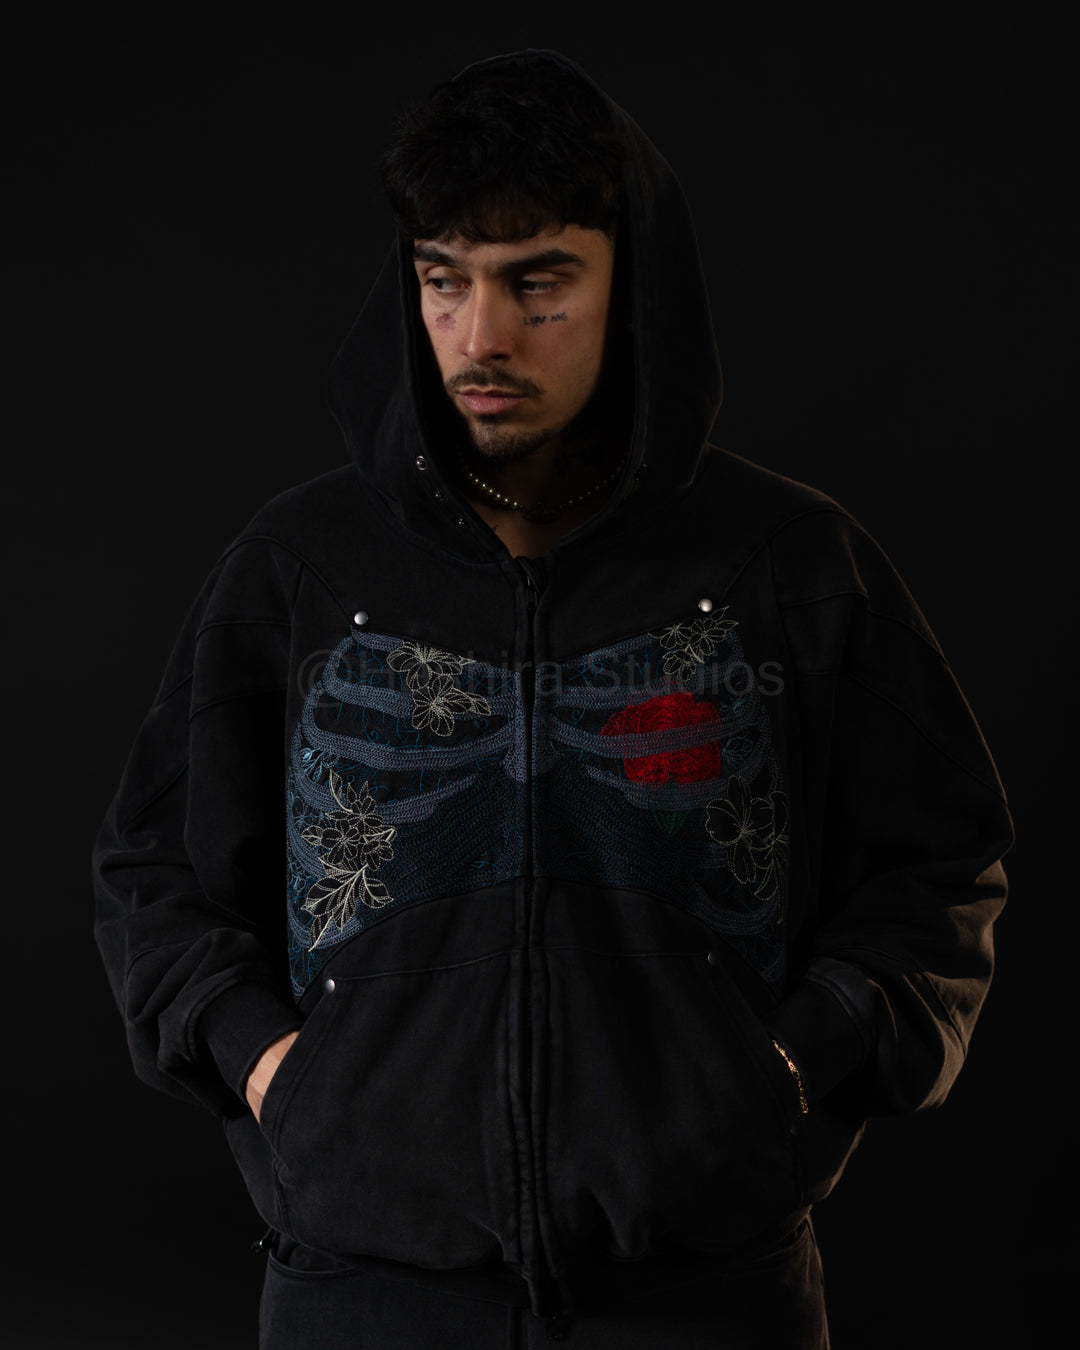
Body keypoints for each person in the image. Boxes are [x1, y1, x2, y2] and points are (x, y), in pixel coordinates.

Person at [93, 49, 1012, 1349]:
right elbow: (152, 869)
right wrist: (273, 1069)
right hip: (364, 1294)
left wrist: (793, 1064)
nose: (483, 337)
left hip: (706, 1299)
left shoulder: (786, 563)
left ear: (630, 280)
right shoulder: (301, 567)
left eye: (539, 283)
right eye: (443, 280)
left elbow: (942, 863)